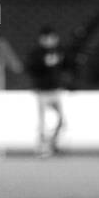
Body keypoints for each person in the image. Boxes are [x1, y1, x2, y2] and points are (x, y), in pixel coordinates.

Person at [24, 26, 69, 157]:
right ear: (42, 39)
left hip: (55, 91)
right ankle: (42, 147)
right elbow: (30, 68)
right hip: (42, 92)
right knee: (43, 122)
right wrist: (43, 64)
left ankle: (53, 145)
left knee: (61, 120)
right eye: (49, 38)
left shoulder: (60, 52)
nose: (52, 41)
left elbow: (65, 68)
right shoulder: (36, 54)